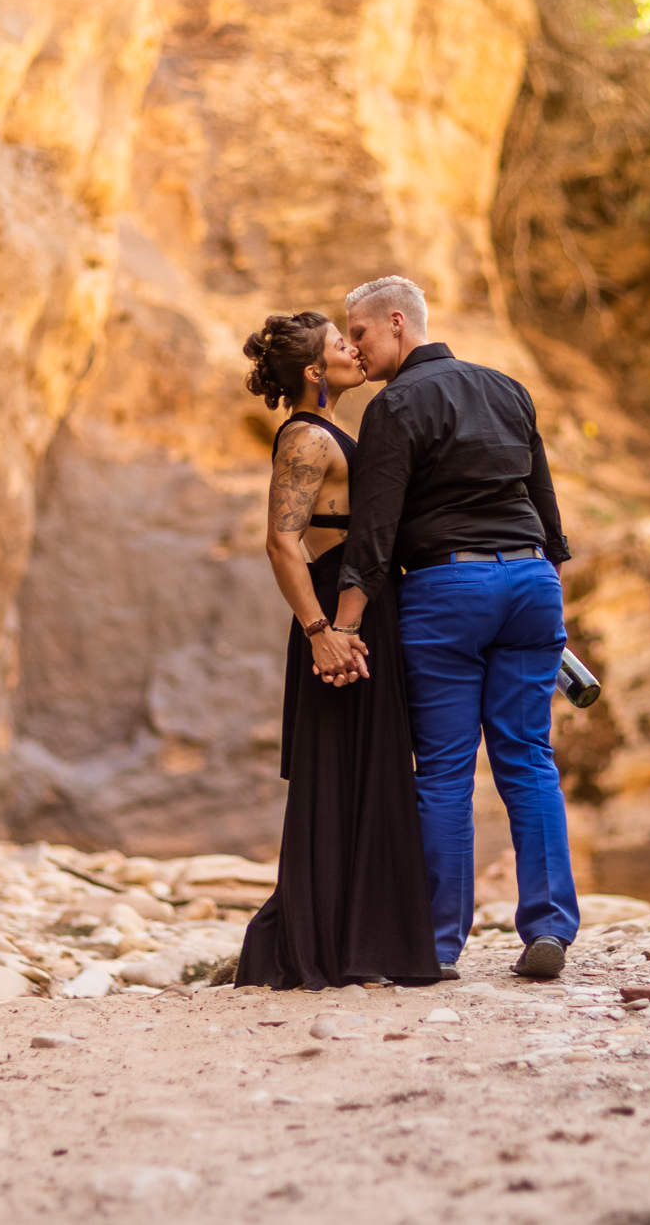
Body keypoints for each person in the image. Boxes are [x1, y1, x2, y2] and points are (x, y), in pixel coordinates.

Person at [324, 275, 580, 982]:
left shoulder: (395, 405)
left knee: (443, 771)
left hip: (446, 588)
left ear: (398, 323)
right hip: (530, 582)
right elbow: (546, 508)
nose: (355, 348)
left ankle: (437, 944)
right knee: (528, 757)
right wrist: (546, 596)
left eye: (362, 333)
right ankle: (549, 927)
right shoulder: (508, 389)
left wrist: (339, 627)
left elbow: (373, 532)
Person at [231, 311, 441, 989]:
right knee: (335, 774)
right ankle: (315, 947)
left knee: (368, 770)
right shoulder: (304, 436)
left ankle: (361, 945)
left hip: (355, 612)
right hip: (334, 618)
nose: (354, 350)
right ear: (315, 374)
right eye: (339, 345)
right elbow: (281, 541)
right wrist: (323, 633)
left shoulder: (330, 432)